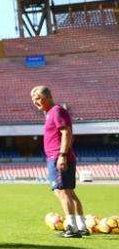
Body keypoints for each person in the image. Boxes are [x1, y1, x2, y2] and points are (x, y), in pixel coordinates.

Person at [31, 86, 89, 237]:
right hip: (61, 155)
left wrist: (62, 155)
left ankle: (71, 228)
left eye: (37, 98)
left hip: (58, 156)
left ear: (48, 97)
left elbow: (66, 132)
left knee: (61, 192)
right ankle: (81, 226)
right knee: (69, 193)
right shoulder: (52, 112)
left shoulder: (56, 111)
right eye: (33, 99)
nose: (35, 102)